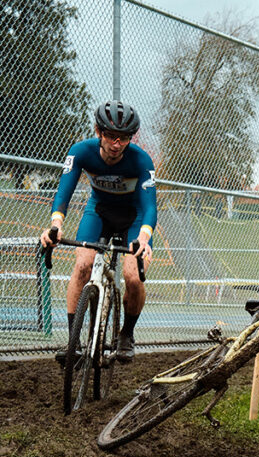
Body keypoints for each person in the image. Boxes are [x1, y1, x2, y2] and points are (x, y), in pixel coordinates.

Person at [39, 101, 156, 362]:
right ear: (98, 132)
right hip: (99, 211)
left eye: (124, 138)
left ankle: (126, 334)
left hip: (134, 218)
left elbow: (150, 207)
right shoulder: (81, 151)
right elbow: (64, 192)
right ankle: (73, 343)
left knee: (133, 276)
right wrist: (56, 226)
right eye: (111, 137)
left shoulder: (141, 160)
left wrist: (144, 239)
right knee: (82, 266)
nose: (117, 144)